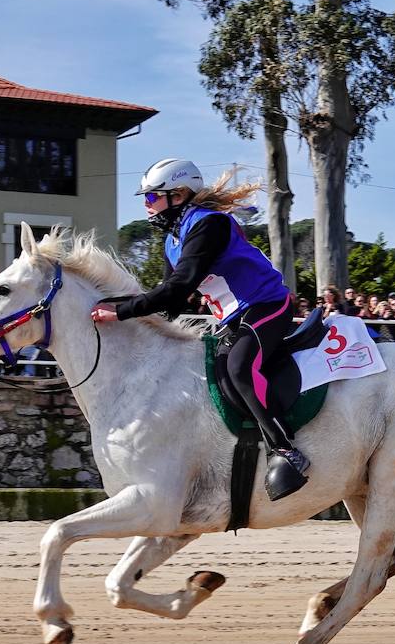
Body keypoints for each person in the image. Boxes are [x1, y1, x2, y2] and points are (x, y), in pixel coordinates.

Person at [91, 158, 309, 501]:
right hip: (233, 317)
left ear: (178, 195)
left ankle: (285, 450)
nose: (146, 206)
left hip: (266, 305)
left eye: (151, 198)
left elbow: (177, 288)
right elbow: (170, 301)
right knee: (217, 374)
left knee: (239, 369)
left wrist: (120, 312)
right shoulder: (171, 241)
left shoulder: (209, 225)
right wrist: (108, 302)